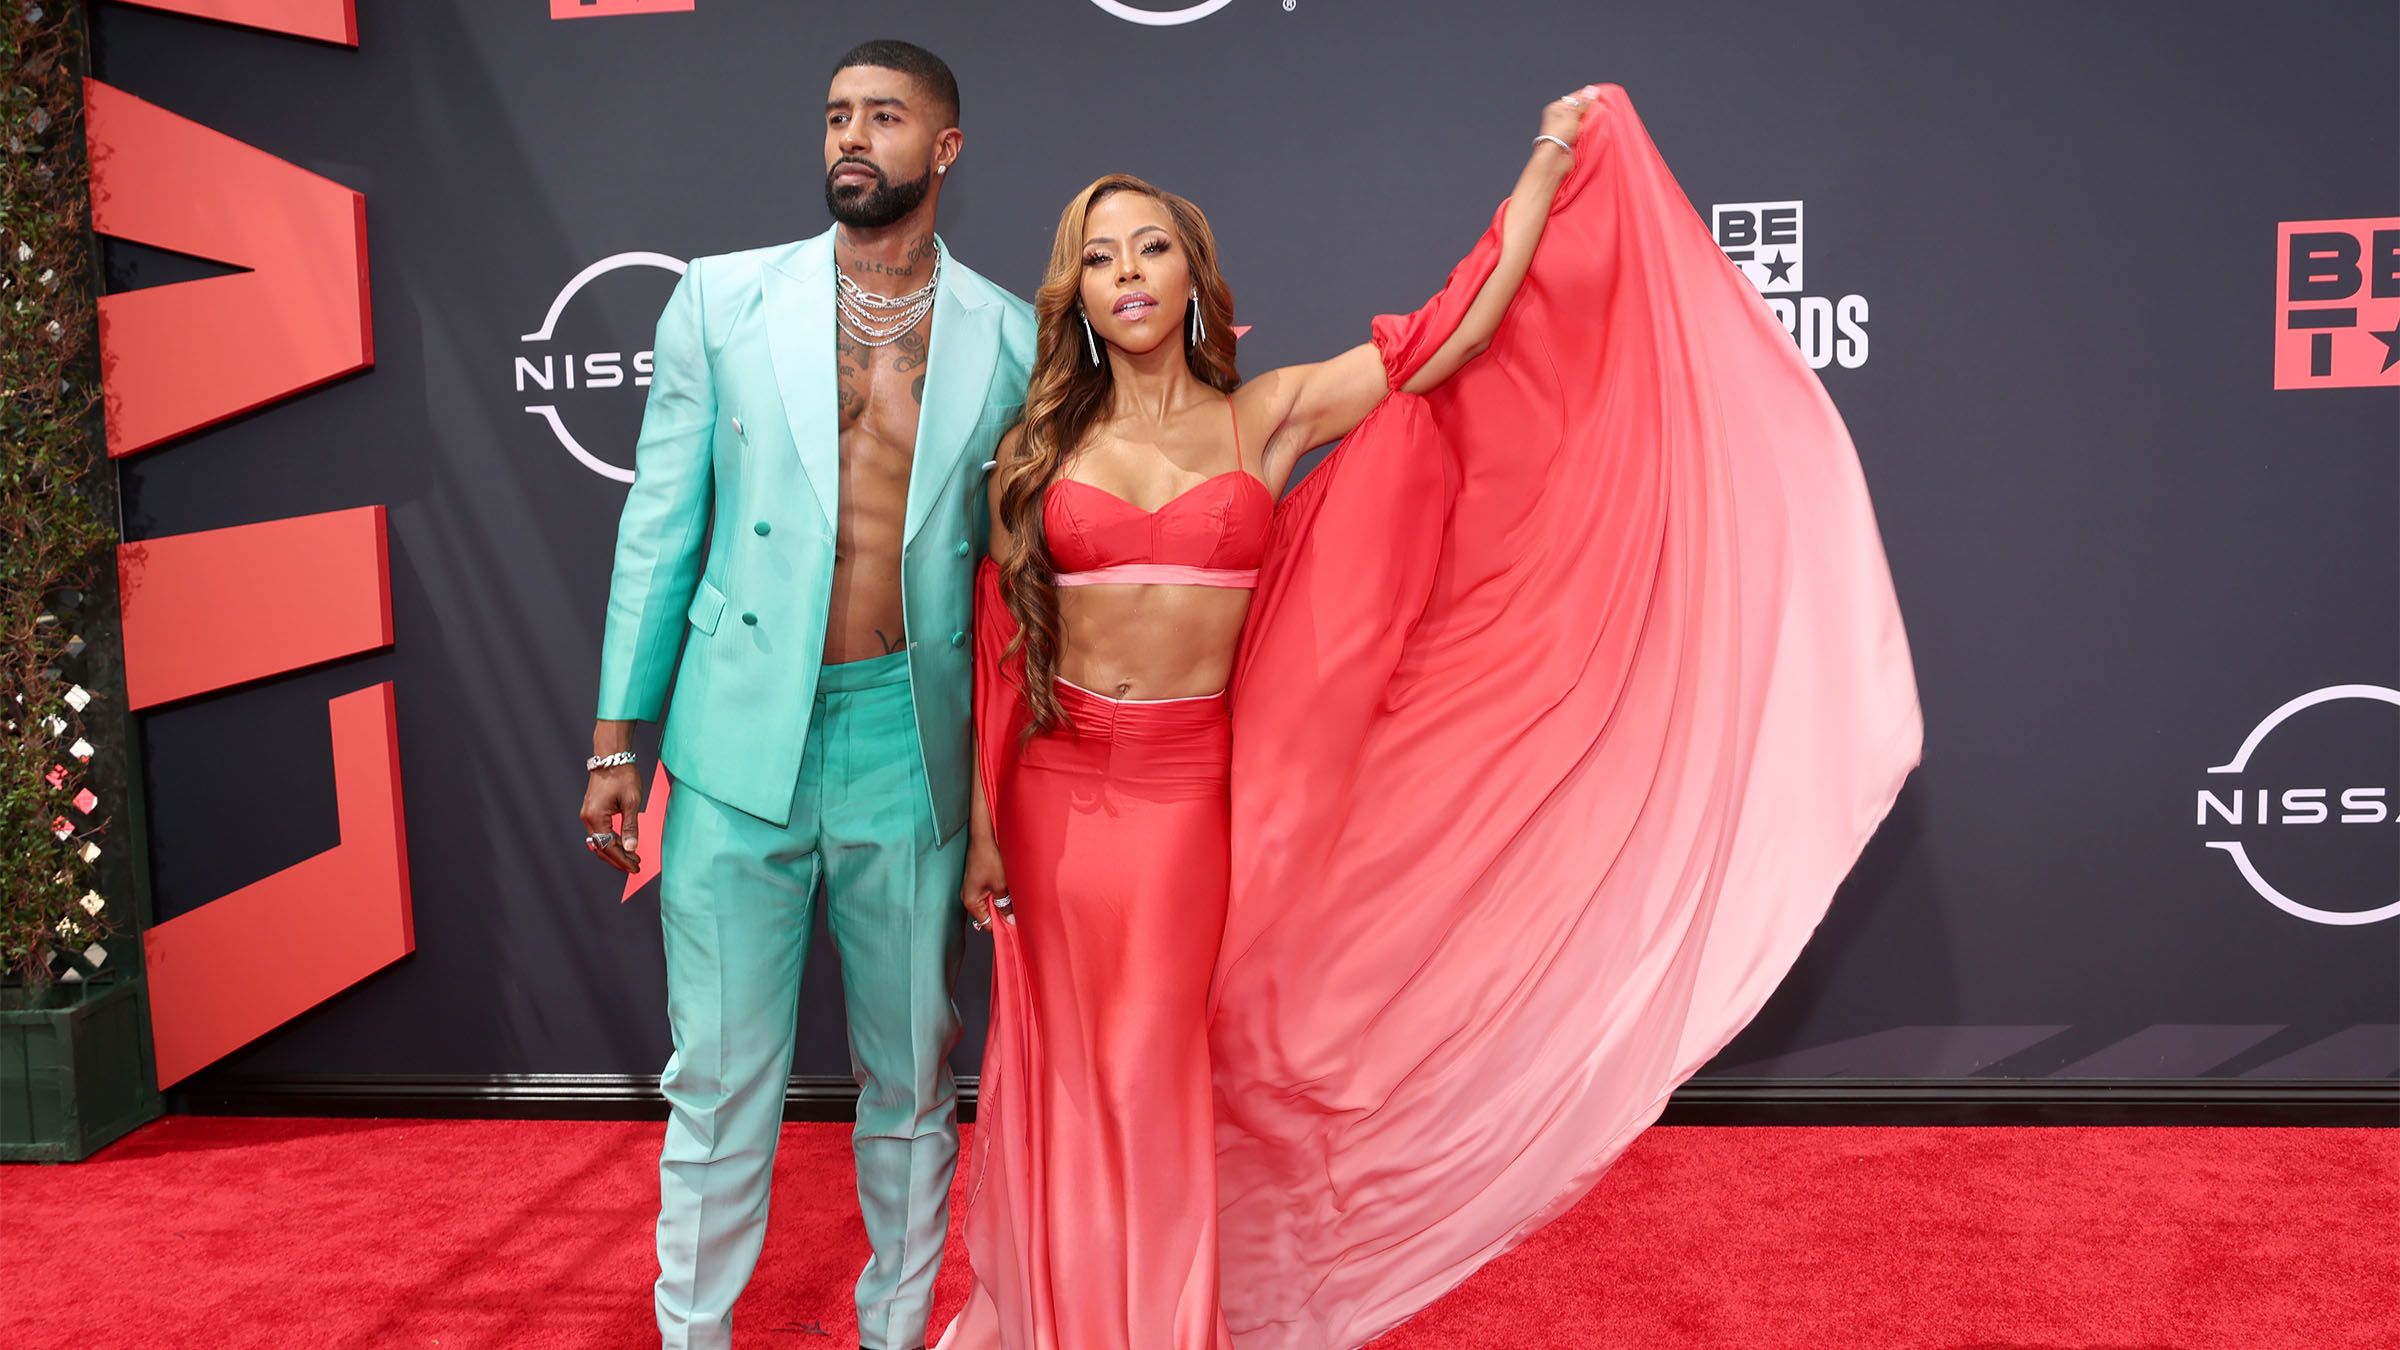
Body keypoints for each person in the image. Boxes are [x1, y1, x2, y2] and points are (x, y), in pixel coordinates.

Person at [943, 81, 1923, 1350]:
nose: (1126, 271)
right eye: (1098, 255)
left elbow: (1443, 342)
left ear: (1194, 276)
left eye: (1151, 247)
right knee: (1069, 1080)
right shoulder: (1039, 449)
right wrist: (983, 825)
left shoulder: (1264, 415)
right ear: (1074, 293)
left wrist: (1548, 162)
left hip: (1183, 796)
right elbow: (1005, 642)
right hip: (1052, 792)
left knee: (1150, 1075)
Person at [580, 39, 1035, 1350]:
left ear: (944, 148)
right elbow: (660, 524)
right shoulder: (720, 300)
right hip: (734, 741)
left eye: (884, 116)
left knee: (912, 1078)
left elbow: (1020, 580)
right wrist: (616, 737)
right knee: (719, 1078)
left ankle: (895, 1331)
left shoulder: (1010, 336)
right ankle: (695, 1335)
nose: (851, 136)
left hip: (910, 739)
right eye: (838, 115)